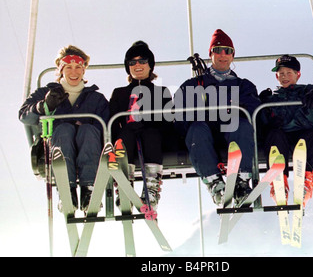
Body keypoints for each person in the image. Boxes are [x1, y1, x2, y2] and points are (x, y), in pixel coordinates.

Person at [174, 29, 261, 206]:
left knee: (242, 123)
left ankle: (241, 181)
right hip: (205, 133)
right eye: (218, 50)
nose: (223, 55)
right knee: (196, 129)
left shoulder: (243, 86)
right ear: (211, 54)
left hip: (232, 132)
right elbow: (180, 114)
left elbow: (253, 110)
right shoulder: (193, 85)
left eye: (227, 51)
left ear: (233, 56)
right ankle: (215, 183)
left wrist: (233, 109)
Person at [19, 45, 109, 212]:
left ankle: (89, 190)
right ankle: (67, 190)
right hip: (59, 141)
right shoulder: (47, 92)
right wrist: (43, 106)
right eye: (68, 67)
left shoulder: (96, 98)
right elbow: (24, 116)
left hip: (88, 143)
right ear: (61, 69)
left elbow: (105, 125)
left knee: (88, 131)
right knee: (64, 129)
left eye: (78, 67)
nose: (73, 72)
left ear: (84, 70)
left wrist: (86, 126)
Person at [259, 54, 313, 207]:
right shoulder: (272, 98)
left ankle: (307, 181)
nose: (284, 77)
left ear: (298, 74)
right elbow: (261, 122)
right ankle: (279, 181)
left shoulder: (308, 91)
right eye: (281, 74)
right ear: (276, 76)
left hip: (305, 136)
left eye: (289, 73)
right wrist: (261, 105)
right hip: (282, 138)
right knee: (273, 135)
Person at [109, 41, 172, 210]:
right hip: (128, 137)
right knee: (124, 137)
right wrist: (126, 128)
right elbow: (112, 122)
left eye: (142, 61)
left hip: (153, 137)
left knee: (151, 134)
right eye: (132, 62)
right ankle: (124, 186)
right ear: (128, 67)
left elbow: (167, 121)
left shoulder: (161, 92)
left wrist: (147, 122)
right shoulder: (119, 93)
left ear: (150, 65)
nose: (138, 65)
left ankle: (150, 189)